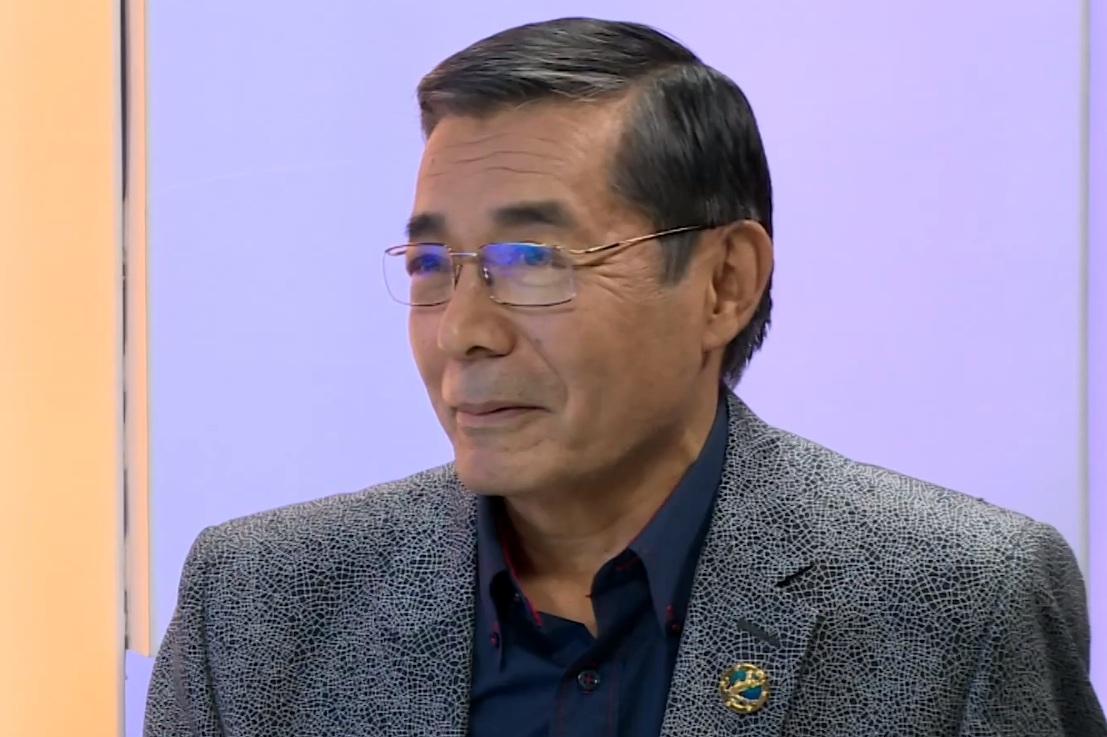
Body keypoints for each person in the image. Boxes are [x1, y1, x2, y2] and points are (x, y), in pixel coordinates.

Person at [144, 17, 1105, 737]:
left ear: (724, 284)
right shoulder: (258, 608)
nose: (463, 332)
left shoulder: (959, 601)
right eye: (432, 265)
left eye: (532, 260)